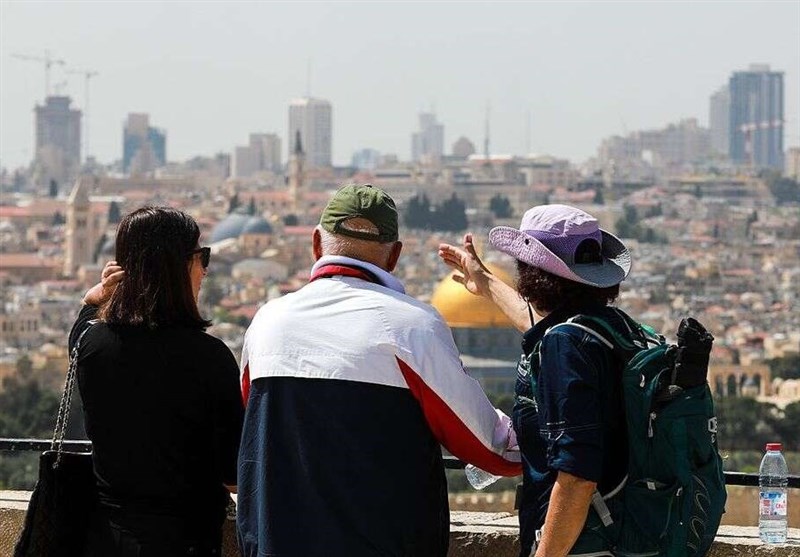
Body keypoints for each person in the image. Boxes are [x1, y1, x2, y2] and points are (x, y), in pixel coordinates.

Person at [237, 184, 521, 557]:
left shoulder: (266, 322)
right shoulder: (411, 327)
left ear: (316, 243)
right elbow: (491, 449)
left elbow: (254, 422)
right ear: (395, 255)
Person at [439, 204, 633, 557]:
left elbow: (577, 477)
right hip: (623, 534)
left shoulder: (565, 346)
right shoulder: (611, 329)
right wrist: (484, 281)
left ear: (533, 275)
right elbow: (539, 326)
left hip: (584, 546)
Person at [69, 206, 244, 557]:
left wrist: (96, 297)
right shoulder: (209, 357)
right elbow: (233, 471)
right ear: (179, 266)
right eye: (202, 257)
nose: (205, 270)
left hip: (105, 536)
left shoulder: (91, 345)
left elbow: (79, 331)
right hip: (183, 539)